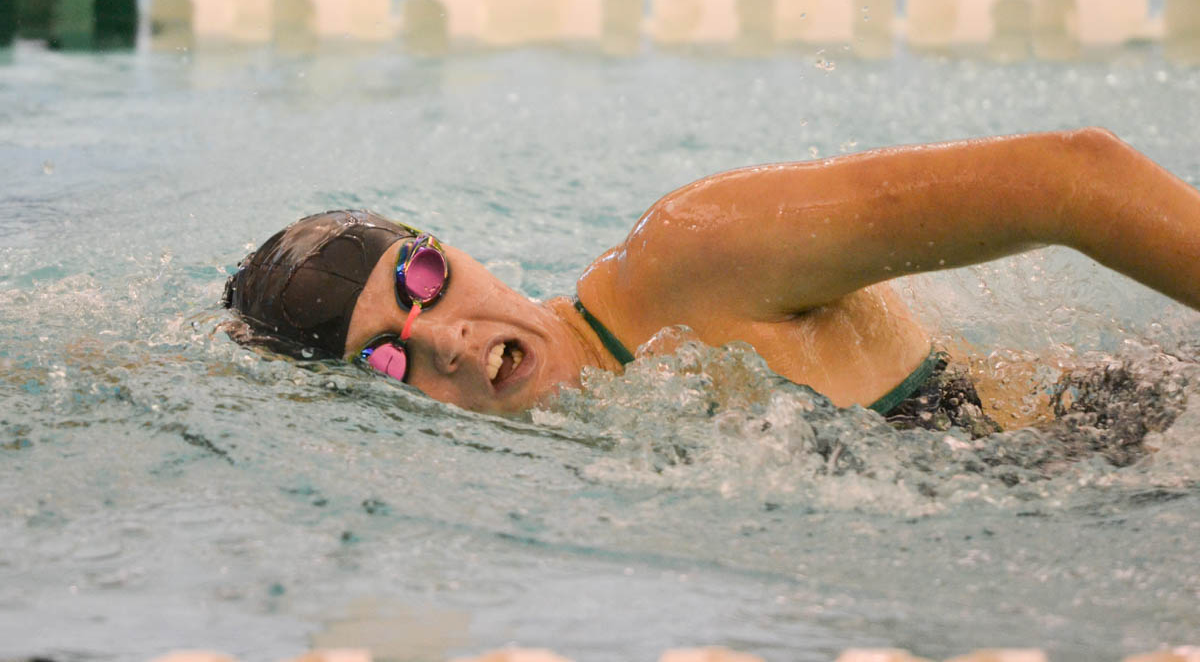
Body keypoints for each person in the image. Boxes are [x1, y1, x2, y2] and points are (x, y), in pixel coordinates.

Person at [222, 127, 1200, 430]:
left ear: (452, 248)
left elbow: (1073, 177)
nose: (440, 335)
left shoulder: (692, 255)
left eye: (422, 278)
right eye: (389, 357)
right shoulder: (579, 430)